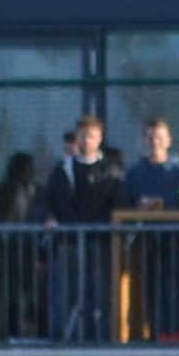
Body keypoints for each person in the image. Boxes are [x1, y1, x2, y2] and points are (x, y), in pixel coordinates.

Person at [46, 115, 122, 341]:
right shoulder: (62, 171)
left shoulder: (110, 172)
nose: (86, 140)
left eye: (91, 136)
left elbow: (119, 205)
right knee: (67, 294)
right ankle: (63, 340)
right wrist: (50, 218)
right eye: (82, 136)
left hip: (100, 245)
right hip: (68, 243)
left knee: (99, 294)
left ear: (100, 139)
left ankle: (101, 338)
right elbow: (47, 201)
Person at [123, 117, 179, 339]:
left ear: (169, 140)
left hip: (176, 240)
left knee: (177, 286)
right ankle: (155, 333)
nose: (155, 142)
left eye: (160, 137)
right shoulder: (133, 174)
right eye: (151, 137)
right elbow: (125, 207)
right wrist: (139, 208)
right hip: (146, 240)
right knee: (151, 288)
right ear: (144, 140)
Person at [0, 150, 44, 340]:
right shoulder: (4, 191)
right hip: (11, 252)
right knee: (12, 294)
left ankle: (35, 333)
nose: (32, 172)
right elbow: (0, 219)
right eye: (29, 168)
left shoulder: (36, 191)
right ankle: (11, 332)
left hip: (31, 250)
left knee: (33, 294)